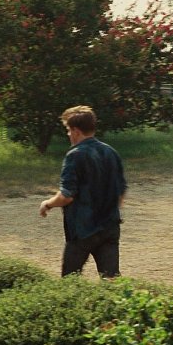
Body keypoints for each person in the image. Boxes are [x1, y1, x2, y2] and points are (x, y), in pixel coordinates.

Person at [39, 105, 127, 277]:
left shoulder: (75, 155)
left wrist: (47, 204)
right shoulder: (110, 152)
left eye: (68, 130)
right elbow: (121, 191)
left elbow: (67, 195)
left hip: (83, 230)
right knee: (111, 280)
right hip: (110, 227)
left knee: (70, 280)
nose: (68, 134)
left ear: (76, 131)